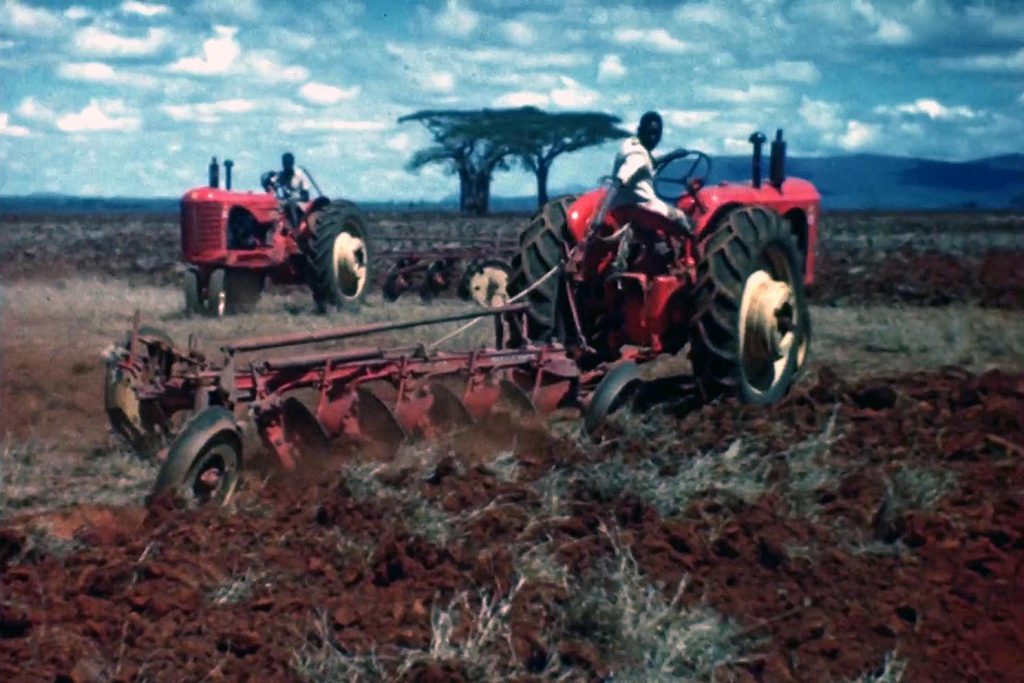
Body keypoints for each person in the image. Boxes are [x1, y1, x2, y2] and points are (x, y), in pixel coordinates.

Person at [608, 111, 691, 234]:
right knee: (685, 220)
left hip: (625, 203)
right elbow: (618, 182)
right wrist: (600, 215)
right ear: (640, 130)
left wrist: (671, 156)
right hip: (644, 207)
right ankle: (695, 251)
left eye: (657, 134)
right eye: (650, 133)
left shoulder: (631, 144)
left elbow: (648, 163)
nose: (653, 138)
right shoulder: (638, 156)